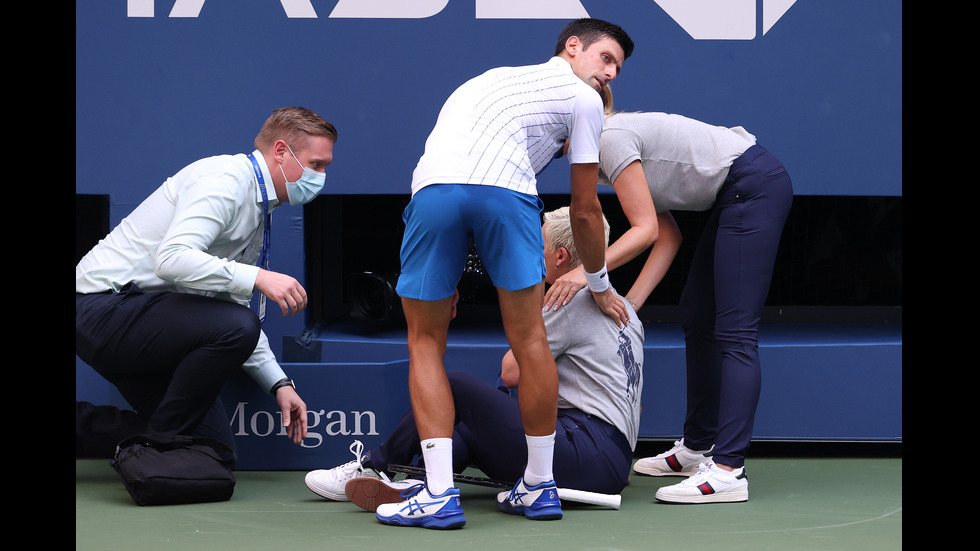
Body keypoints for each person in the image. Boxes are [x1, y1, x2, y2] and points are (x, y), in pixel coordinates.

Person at [381, 18, 634, 529]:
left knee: (425, 342)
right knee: (530, 341)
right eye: (605, 59)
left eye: (617, 68)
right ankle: (539, 488)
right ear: (572, 47)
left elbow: (473, 166)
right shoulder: (585, 101)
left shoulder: (490, 80)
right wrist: (600, 284)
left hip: (434, 193)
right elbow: (585, 213)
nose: (609, 74)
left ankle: (436, 495)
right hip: (506, 197)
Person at [305, 206, 643, 520]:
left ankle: (373, 465)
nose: (533, 255)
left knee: (457, 385)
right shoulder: (625, 308)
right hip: (611, 463)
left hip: (582, 451)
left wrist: (535, 302)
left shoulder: (567, 298)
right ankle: (422, 481)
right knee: (468, 429)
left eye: (538, 246)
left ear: (560, 257)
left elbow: (511, 373)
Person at [543, 87, 794, 503]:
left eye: (556, 134)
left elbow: (646, 232)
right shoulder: (607, 151)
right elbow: (669, 235)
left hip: (753, 186)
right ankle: (699, 448)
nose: (555, 145)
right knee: (697, 313)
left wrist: (589, 276)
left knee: (735, 333)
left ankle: (729, 470)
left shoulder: (610, 139)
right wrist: (629, 306)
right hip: (736, 193)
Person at [75, 107, 337, 465]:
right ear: (280, 152)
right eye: (317, 164)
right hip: (100, 309)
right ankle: (158, 447)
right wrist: (260, 277)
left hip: (148, 326)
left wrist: (279, 383)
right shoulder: (225, 181)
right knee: (237, 326)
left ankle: (151, 443)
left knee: (213, 452)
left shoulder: (259, 205)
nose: (321, 176)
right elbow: (171, 259)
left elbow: (233, 307)